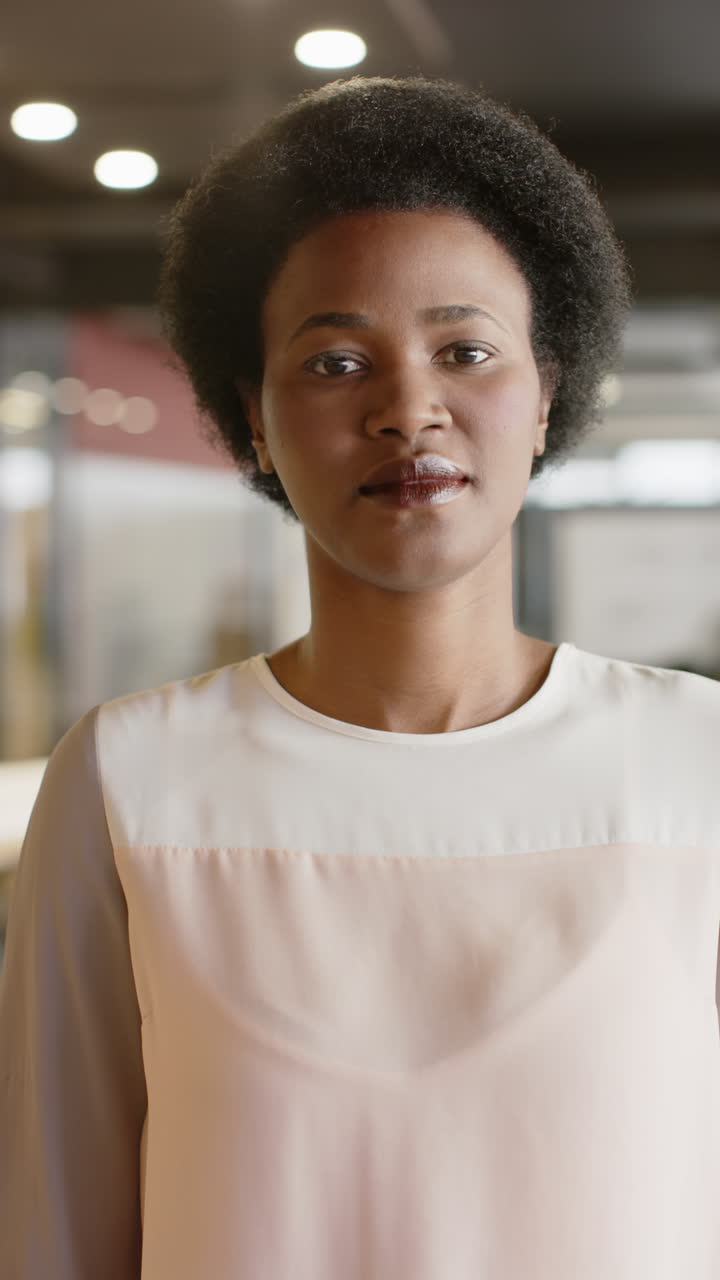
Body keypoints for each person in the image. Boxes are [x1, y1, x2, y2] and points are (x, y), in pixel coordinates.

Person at [1, 74, 719, 1280]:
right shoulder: (132, 782)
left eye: (466, 350)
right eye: (337, 361)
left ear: (547, 393)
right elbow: (50, 1239)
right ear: (254, 417)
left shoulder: (697, 763)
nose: (409, 408)